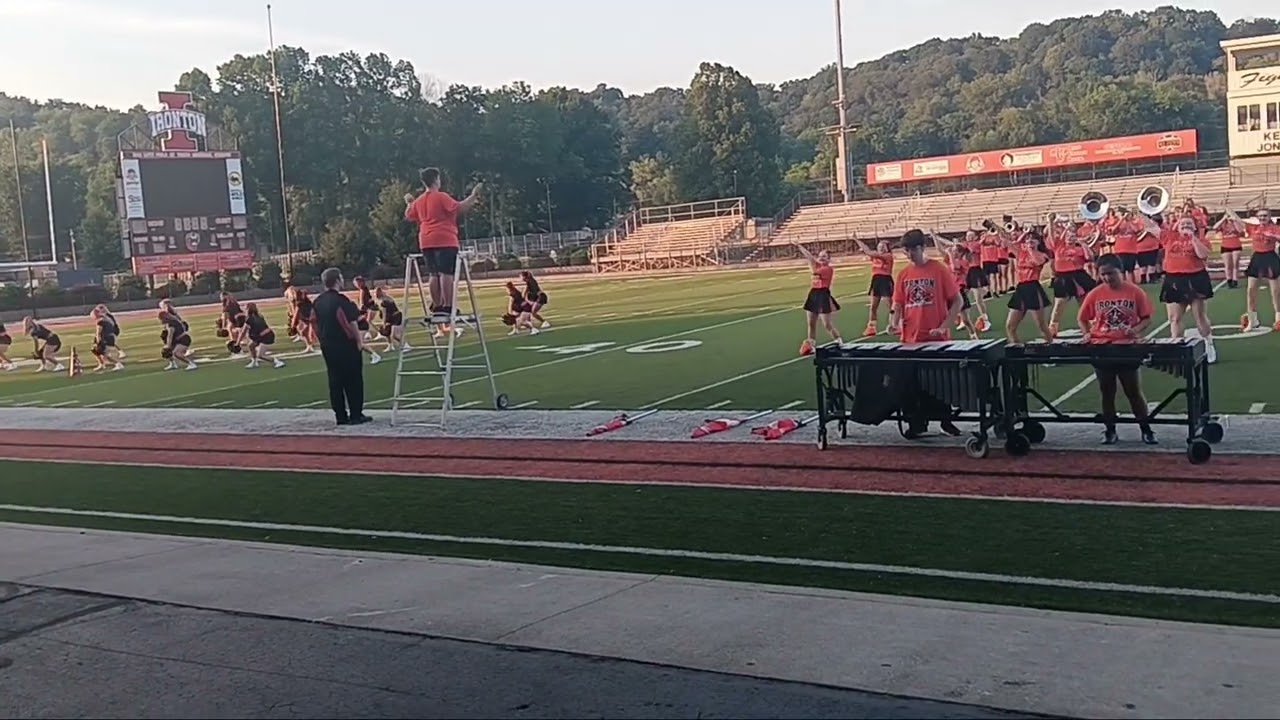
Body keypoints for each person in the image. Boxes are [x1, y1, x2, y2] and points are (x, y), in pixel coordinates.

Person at [889, 229, 964, 438]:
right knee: (911, 386)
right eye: (906, 251)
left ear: (922, 247)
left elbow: (958, 301)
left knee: (941, 384)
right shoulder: (903, 274)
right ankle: (916, 423)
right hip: (910, 340)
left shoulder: (938, 269)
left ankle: (945, 419)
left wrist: (945, 325)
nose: (909, 254)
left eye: (912, 249)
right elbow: (898, 303)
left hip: (937, 339)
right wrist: (893, 321)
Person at [1076, 255, 1157, 446]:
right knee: (1107, 391)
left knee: (1133, 391)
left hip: (1126, 347)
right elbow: (1082, 317)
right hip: (1102, 347)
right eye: (1103, 274)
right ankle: (1110, 430)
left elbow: (1146, 318)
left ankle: (1146, 429)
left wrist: (1135, 330)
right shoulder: (1095, 293)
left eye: (1110, 274)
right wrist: (1087, 333)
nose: (1106, 278)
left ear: (1120, 272)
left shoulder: (1135, 292)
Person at [404, 167, 482, 325]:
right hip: (444, 238)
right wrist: (473, 196)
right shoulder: (440, 197)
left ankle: (438, 305)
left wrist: (410, 203)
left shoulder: (419, 200)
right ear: (436, 180)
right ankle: (448, 305)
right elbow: (459, 208)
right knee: (446, 274)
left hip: (426, 240)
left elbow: (409, 215)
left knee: (434, 274)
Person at [313, 267, 370, 426]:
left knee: (335, 379)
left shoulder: (318, 301)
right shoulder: (341, 300)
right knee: (353, 380)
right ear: (337, 280)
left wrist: (321, 339)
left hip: (327, 344)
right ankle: (356, 414)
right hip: (345, 344)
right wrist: (359, 342)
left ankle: (340, 415)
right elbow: (352, 322)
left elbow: (313, 322)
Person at [1158, 213, 1217, 364]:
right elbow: (1150, 227)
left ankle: (1208, 345)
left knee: (1200, 316)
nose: (1185, 226)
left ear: (1195, 227)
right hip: (1174, 279)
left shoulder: (1201, 240)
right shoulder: (1168, 237)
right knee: (1174, 318)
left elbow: (1203, 255)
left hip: (1195, 278)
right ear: (1177, 226)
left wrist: (1193, 238)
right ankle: (1177, 348)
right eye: (1183, 224)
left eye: (1189, 224)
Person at [795, 243, 843, 355]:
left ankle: (839, 341)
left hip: (823, 295)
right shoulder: (816, 265)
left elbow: (813, 266)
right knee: (811, 323)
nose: (821, 258)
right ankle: (811, 345)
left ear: (828, 259)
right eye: (820, 256)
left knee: (827, 324)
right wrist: (800, 247)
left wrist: (811, 263)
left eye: (824, 256)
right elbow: (809, 257)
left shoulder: (828, 269)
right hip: (813, 294)